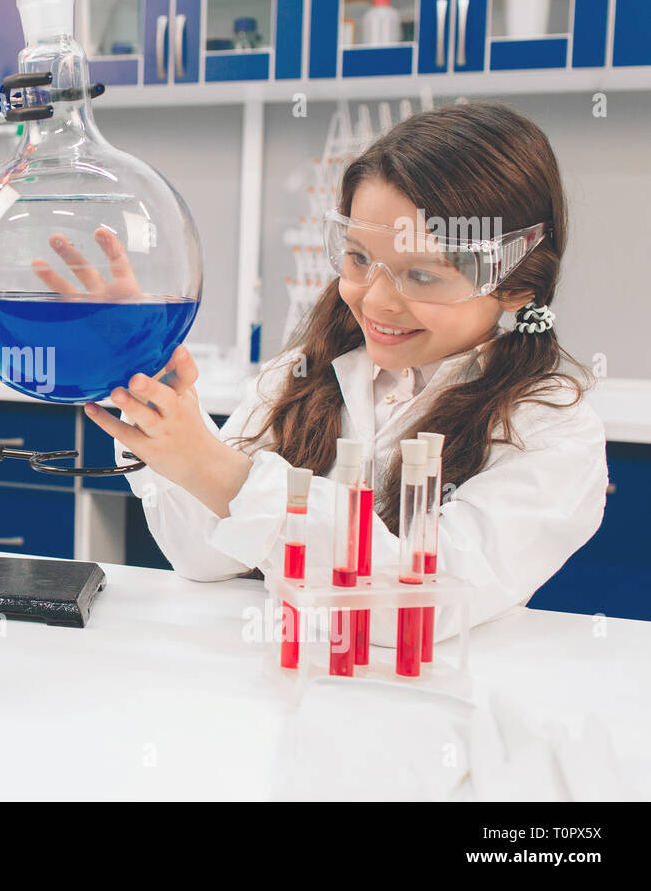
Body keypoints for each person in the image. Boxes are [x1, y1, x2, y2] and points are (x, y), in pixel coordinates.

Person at [82, 102, 607, 636]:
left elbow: (418, 608)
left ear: (517, 286)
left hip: (433, 708)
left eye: (422, 275)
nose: (375, 301)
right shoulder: (305, 374)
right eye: (358, 258)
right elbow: (200, 557)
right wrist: (144, 378)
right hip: (283, 695)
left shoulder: (549, 428)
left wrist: (225, 474)